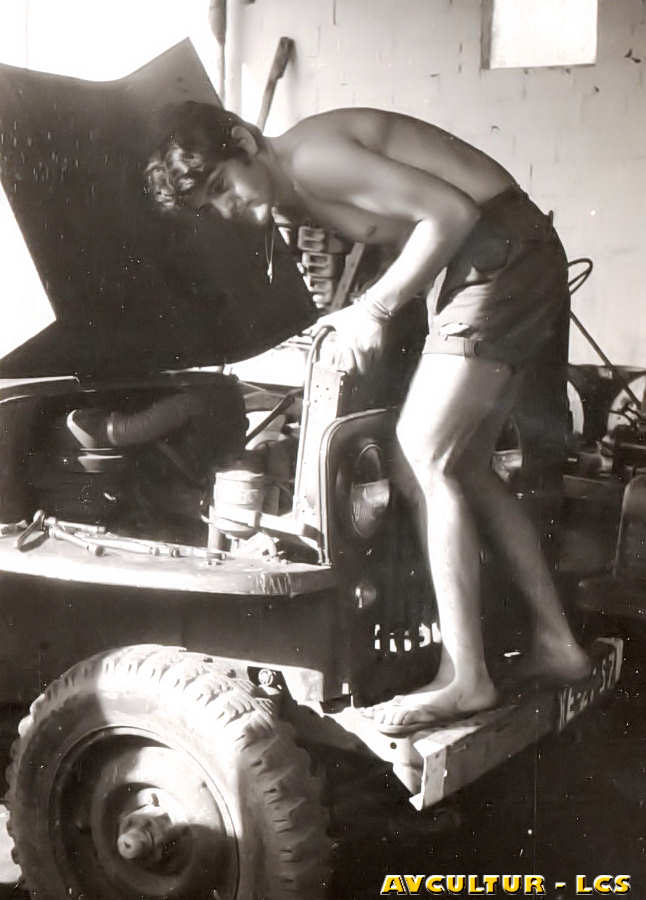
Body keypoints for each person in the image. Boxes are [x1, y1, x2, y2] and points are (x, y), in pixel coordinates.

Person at [146, 101, 591, 735]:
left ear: (244, 141)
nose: (227, 207)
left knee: (422, 457)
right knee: (463, 465)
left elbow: (451, 215)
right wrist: (361, 307)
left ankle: (466, 679)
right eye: (211, 204)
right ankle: (557, 644)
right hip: (505, 253)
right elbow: (412, 231)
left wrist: (373, 310)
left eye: (222, 184)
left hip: (500, 254)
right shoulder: (295, 186)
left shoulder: (312, 159)